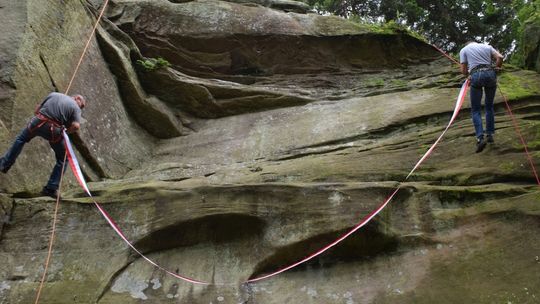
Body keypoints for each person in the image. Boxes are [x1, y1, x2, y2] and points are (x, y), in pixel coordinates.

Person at [0, 92, 86, 198]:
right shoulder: (76, 107)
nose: (80, 108)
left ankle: (4, 164)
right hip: (54, 130)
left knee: (21, 139)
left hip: (38, 121)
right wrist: (66, 131)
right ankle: (51, 188)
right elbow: (76, 126)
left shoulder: (54, 94)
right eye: (82, 105)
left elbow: (37, 110)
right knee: (63, 158)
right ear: (77, 98)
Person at [459, 41, 504, 153]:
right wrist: (497, 67)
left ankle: (480, 137)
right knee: (489, 106)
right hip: (490, 74)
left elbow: (464, 71)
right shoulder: (487, 46)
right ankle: (490, 135)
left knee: (476, 109)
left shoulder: (464, 50)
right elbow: (500, 57)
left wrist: (468, 75)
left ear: (467, 44)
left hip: (476, 75)